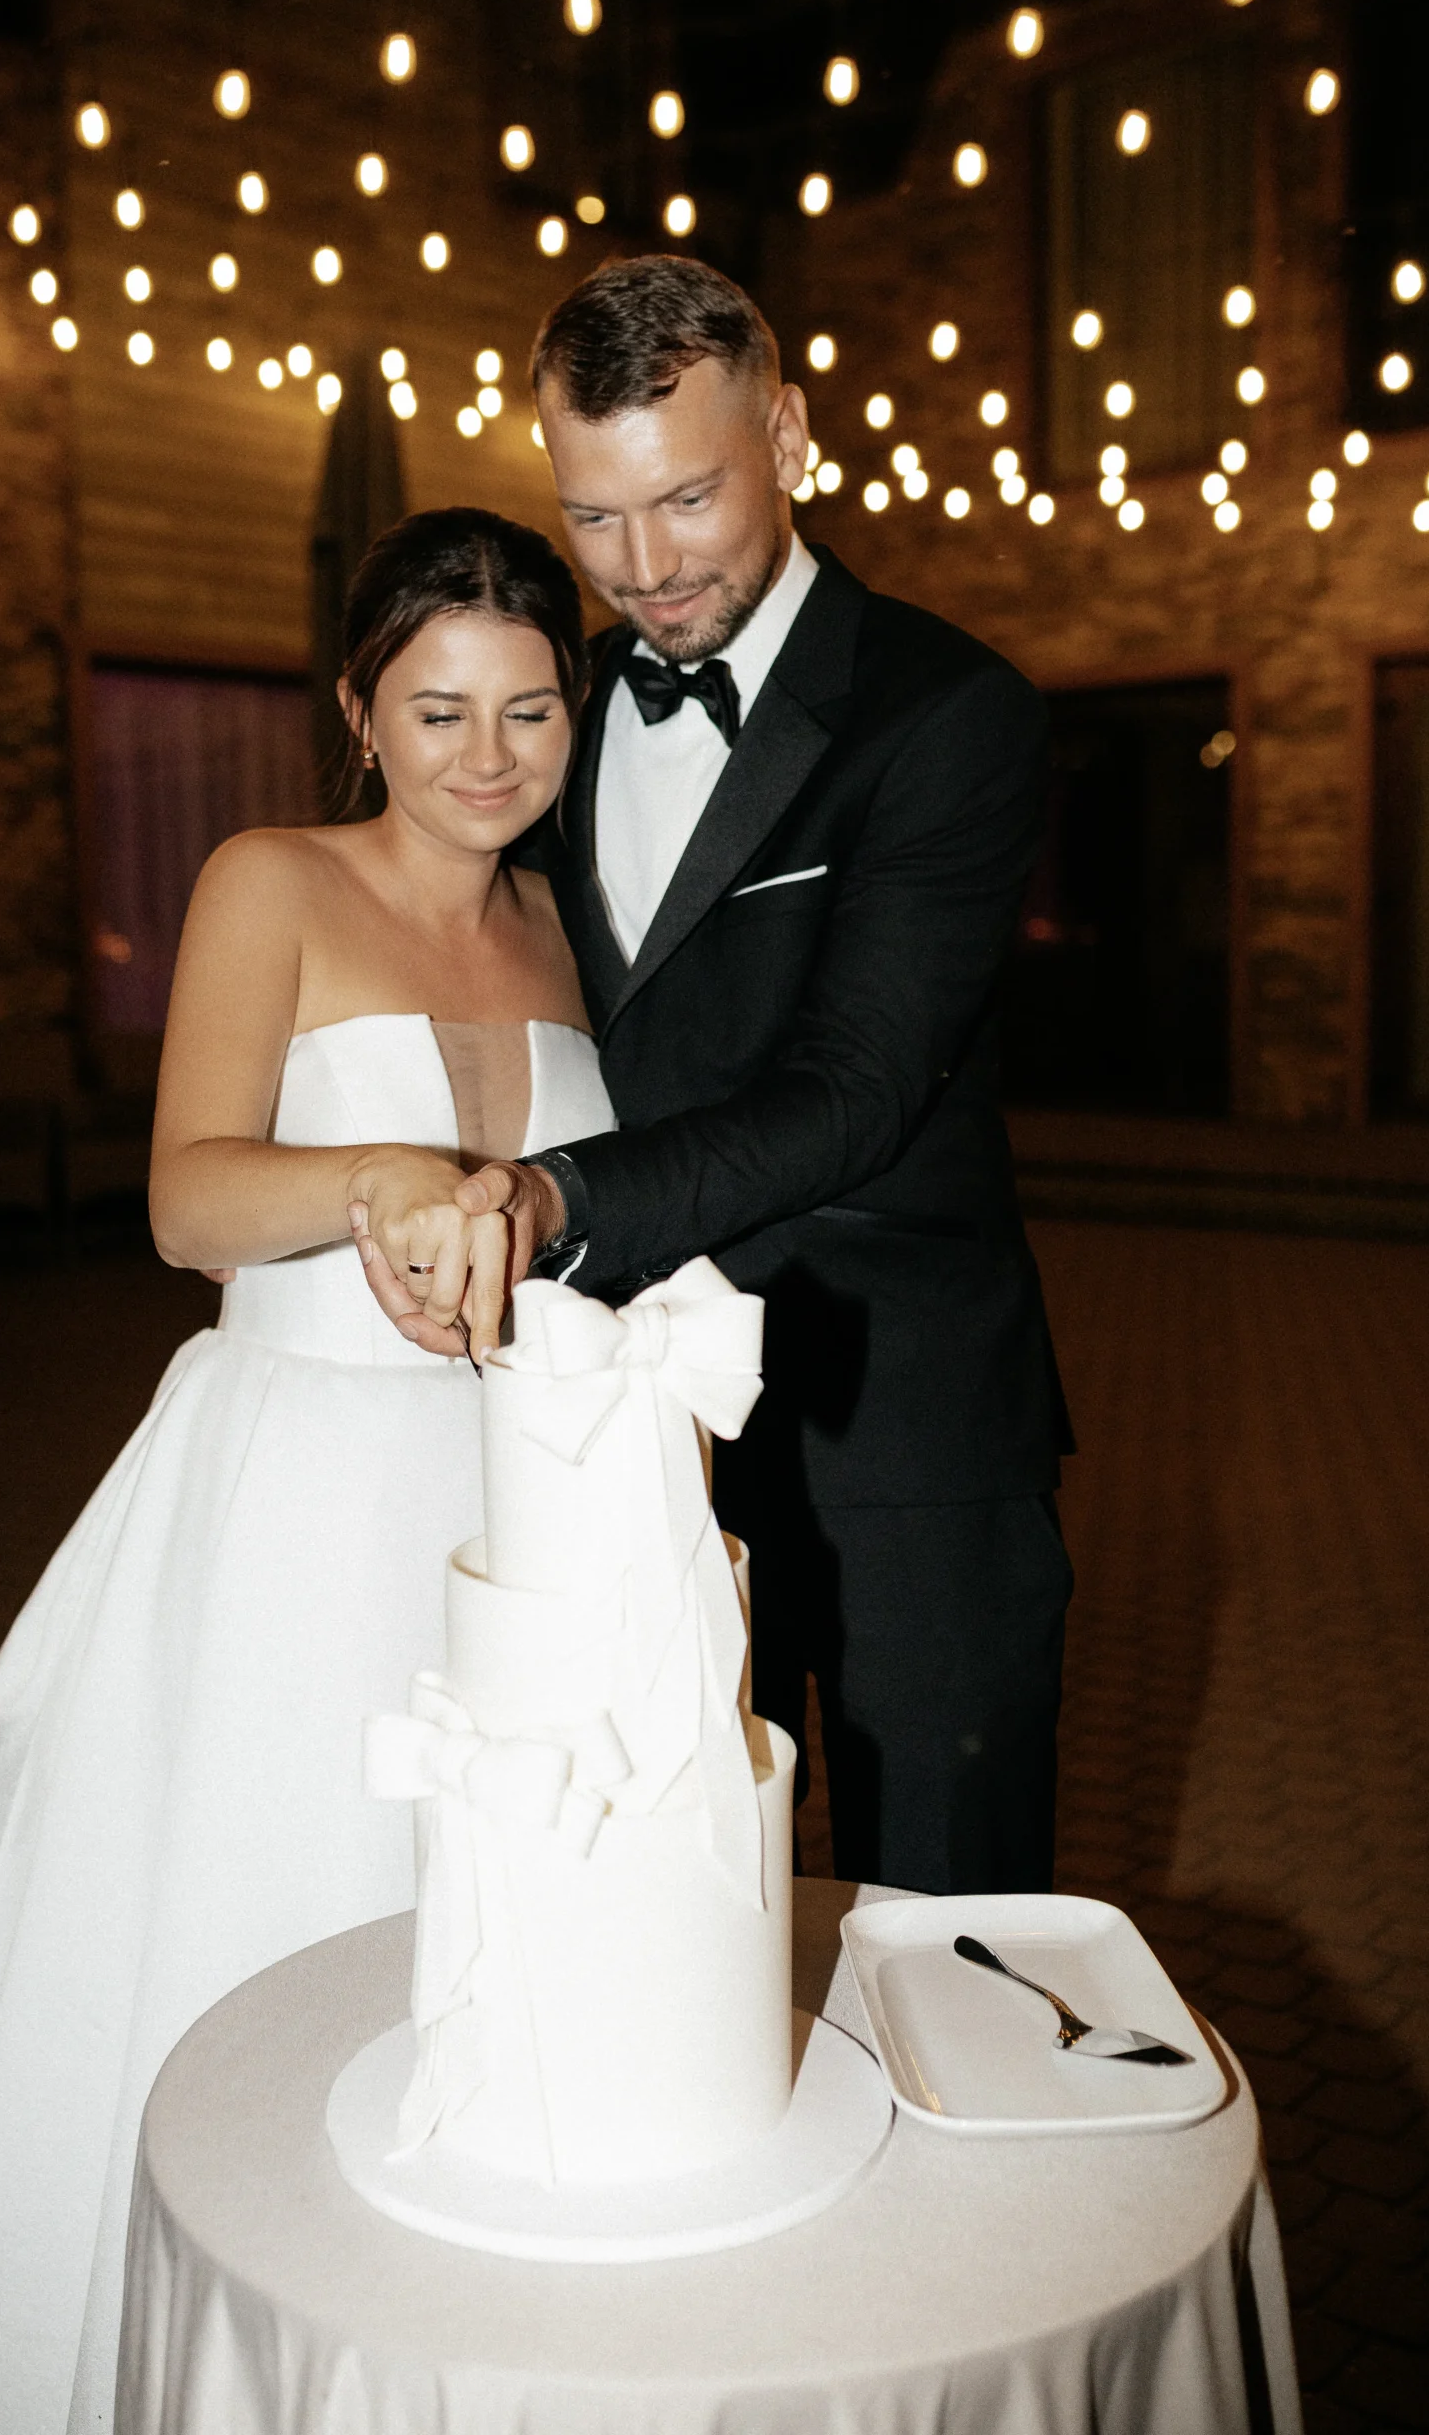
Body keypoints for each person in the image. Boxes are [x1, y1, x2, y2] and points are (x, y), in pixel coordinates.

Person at [0, 508, 613, 2435]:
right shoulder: (270, 880)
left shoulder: (567, 932)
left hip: (518, 1500)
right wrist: (381, 1174)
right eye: (439, 710)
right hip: (298, 1496)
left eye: (530, 710)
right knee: (270, 1935)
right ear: (360, 713)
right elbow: (184, 1203)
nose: (488, 757)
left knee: (491, 1946)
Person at [360, 257, 1075, 1899]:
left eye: (686, 498)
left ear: (790, 438)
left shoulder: (946, 714)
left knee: (944, 1926)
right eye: (593, 517)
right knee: (667, 1909)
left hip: (899, 1433)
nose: (643, 568)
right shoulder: (553, 712)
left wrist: (549, 1202)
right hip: (635, 1430)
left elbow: (853, 1088)